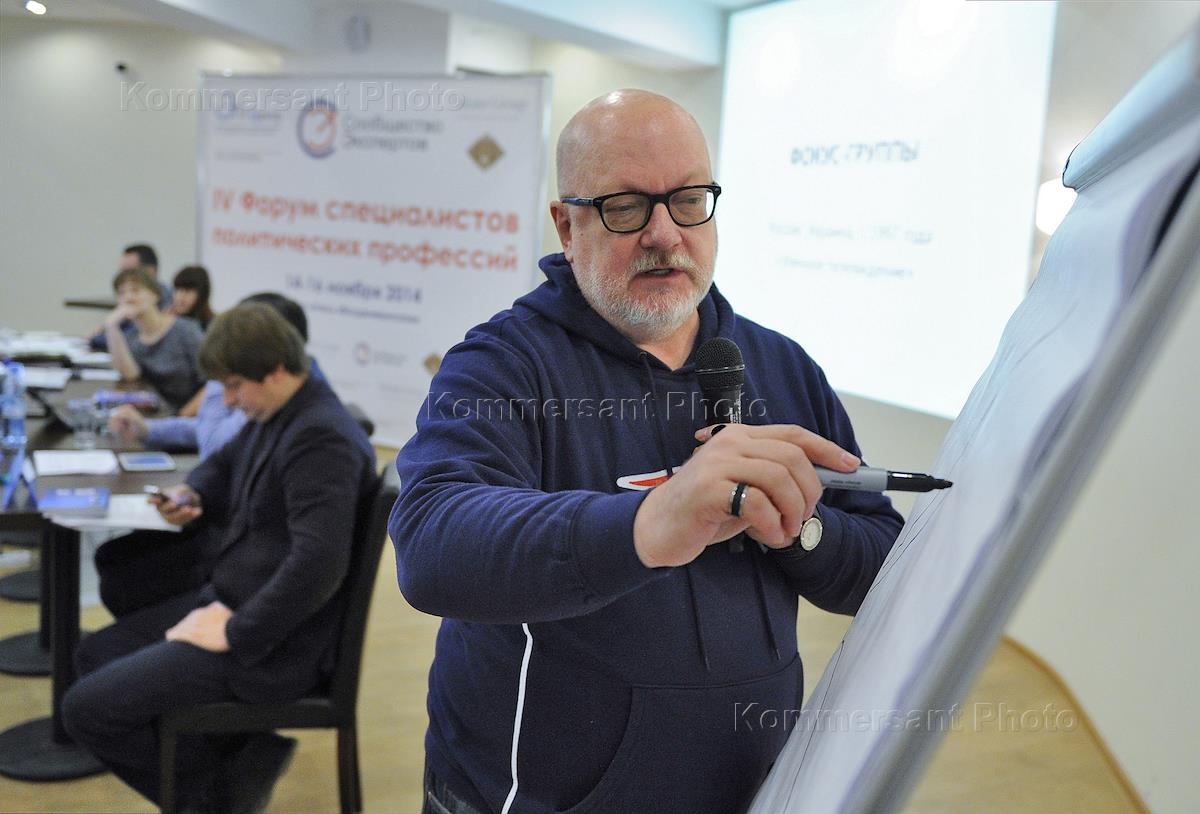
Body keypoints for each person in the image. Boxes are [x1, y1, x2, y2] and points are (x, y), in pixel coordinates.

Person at [389, 89, 905, 814]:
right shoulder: (502, 364)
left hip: (753, 792)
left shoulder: (782, 366)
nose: (665, 234)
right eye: (626, 207)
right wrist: (650, 524)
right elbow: (432, 545)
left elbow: (880, 567)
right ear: (567, 225)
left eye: (689, 201)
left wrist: (797, 524)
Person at [62, 303, 377, 812]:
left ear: (276, 370)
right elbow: (226, 464)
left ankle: (212, 799)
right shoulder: (281, 412)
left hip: (275, 643)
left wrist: (236, 631)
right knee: (95, 655)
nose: (228, 401)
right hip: (235, 605)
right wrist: (193, 491)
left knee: (86, 710)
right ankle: (241, 762)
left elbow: (320, 565)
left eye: (234, 386)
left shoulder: (321, 438)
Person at [108, 292, 323, 460]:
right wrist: (148, 430)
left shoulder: (289, 407)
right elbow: (207, 429)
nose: (229, 399)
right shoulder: (279, 388)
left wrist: (219, 380)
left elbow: (212, 447)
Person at [104, 266, 204, 411]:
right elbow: (131, 377)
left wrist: (183, 415)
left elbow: (214, 383)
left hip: (190, 414)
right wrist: (112, 327)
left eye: (135, 290)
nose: (128, 298)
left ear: (155, 295)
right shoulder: (132, 338)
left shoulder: (186, 330)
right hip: (155, 413)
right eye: (121, 293)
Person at [88, 244, 171, 350]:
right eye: (122, 271)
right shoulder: (130, 298)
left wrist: (104, 332)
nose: (124, 277)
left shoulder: (166, 300)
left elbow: (130, 339)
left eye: (129, 271)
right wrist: (104, 328)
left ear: (150, 271)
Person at [168, 265, 216, 330]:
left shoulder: (213, 325)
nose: (179, 297)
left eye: (187, 291)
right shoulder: (169, 320)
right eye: (177, 290)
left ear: (202, 294)